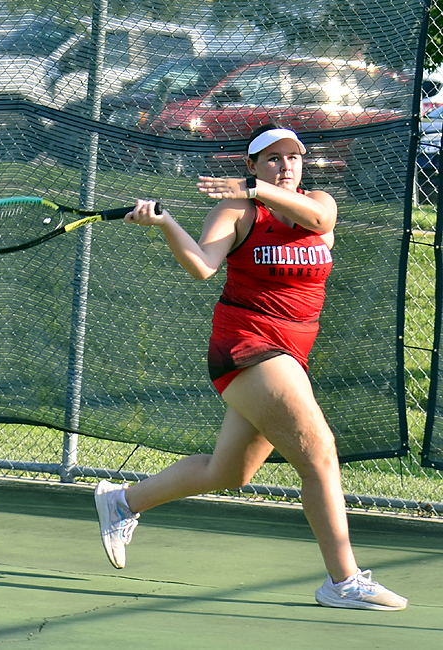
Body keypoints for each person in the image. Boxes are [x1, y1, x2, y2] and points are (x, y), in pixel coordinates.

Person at [94, 124, 408, 611]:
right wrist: (166, 224)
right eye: (272, 159)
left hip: (293, 353)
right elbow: (203, 265)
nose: (286, 167)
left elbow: (321, 218)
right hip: (248, 345)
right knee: (320, 454)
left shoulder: (318, 203)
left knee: (229, 471)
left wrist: (257, 188)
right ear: (252, 164)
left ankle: (122, 502)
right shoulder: (237, 211)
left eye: (293, 158)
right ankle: (343, 581)